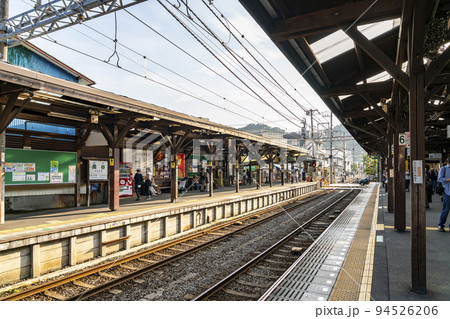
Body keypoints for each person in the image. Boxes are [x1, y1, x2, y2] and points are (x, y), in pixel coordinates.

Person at [437, 156, 450, 232]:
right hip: (447, 192)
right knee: (445, 210)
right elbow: (440, 179)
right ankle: (441, 225)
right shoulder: (443, 169)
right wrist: (448, 179)